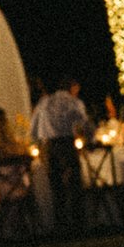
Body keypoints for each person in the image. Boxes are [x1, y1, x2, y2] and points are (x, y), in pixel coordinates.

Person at [30, 72, 92, 237]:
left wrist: (37, 145)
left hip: (49, 147)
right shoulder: (73, 101)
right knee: (74, 183)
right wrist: (90, 139)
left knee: (56, 187)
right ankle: (79, 223)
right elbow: (84, 123)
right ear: (72, 88)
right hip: (66, 143)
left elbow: (33, 130)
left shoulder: (44, 102)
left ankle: (61, 225)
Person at [0, 103, 34, 237]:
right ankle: (24, 226)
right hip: (21, 189)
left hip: (4, 193)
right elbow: (26, 169)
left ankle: (7, 231)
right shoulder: (18, 147)